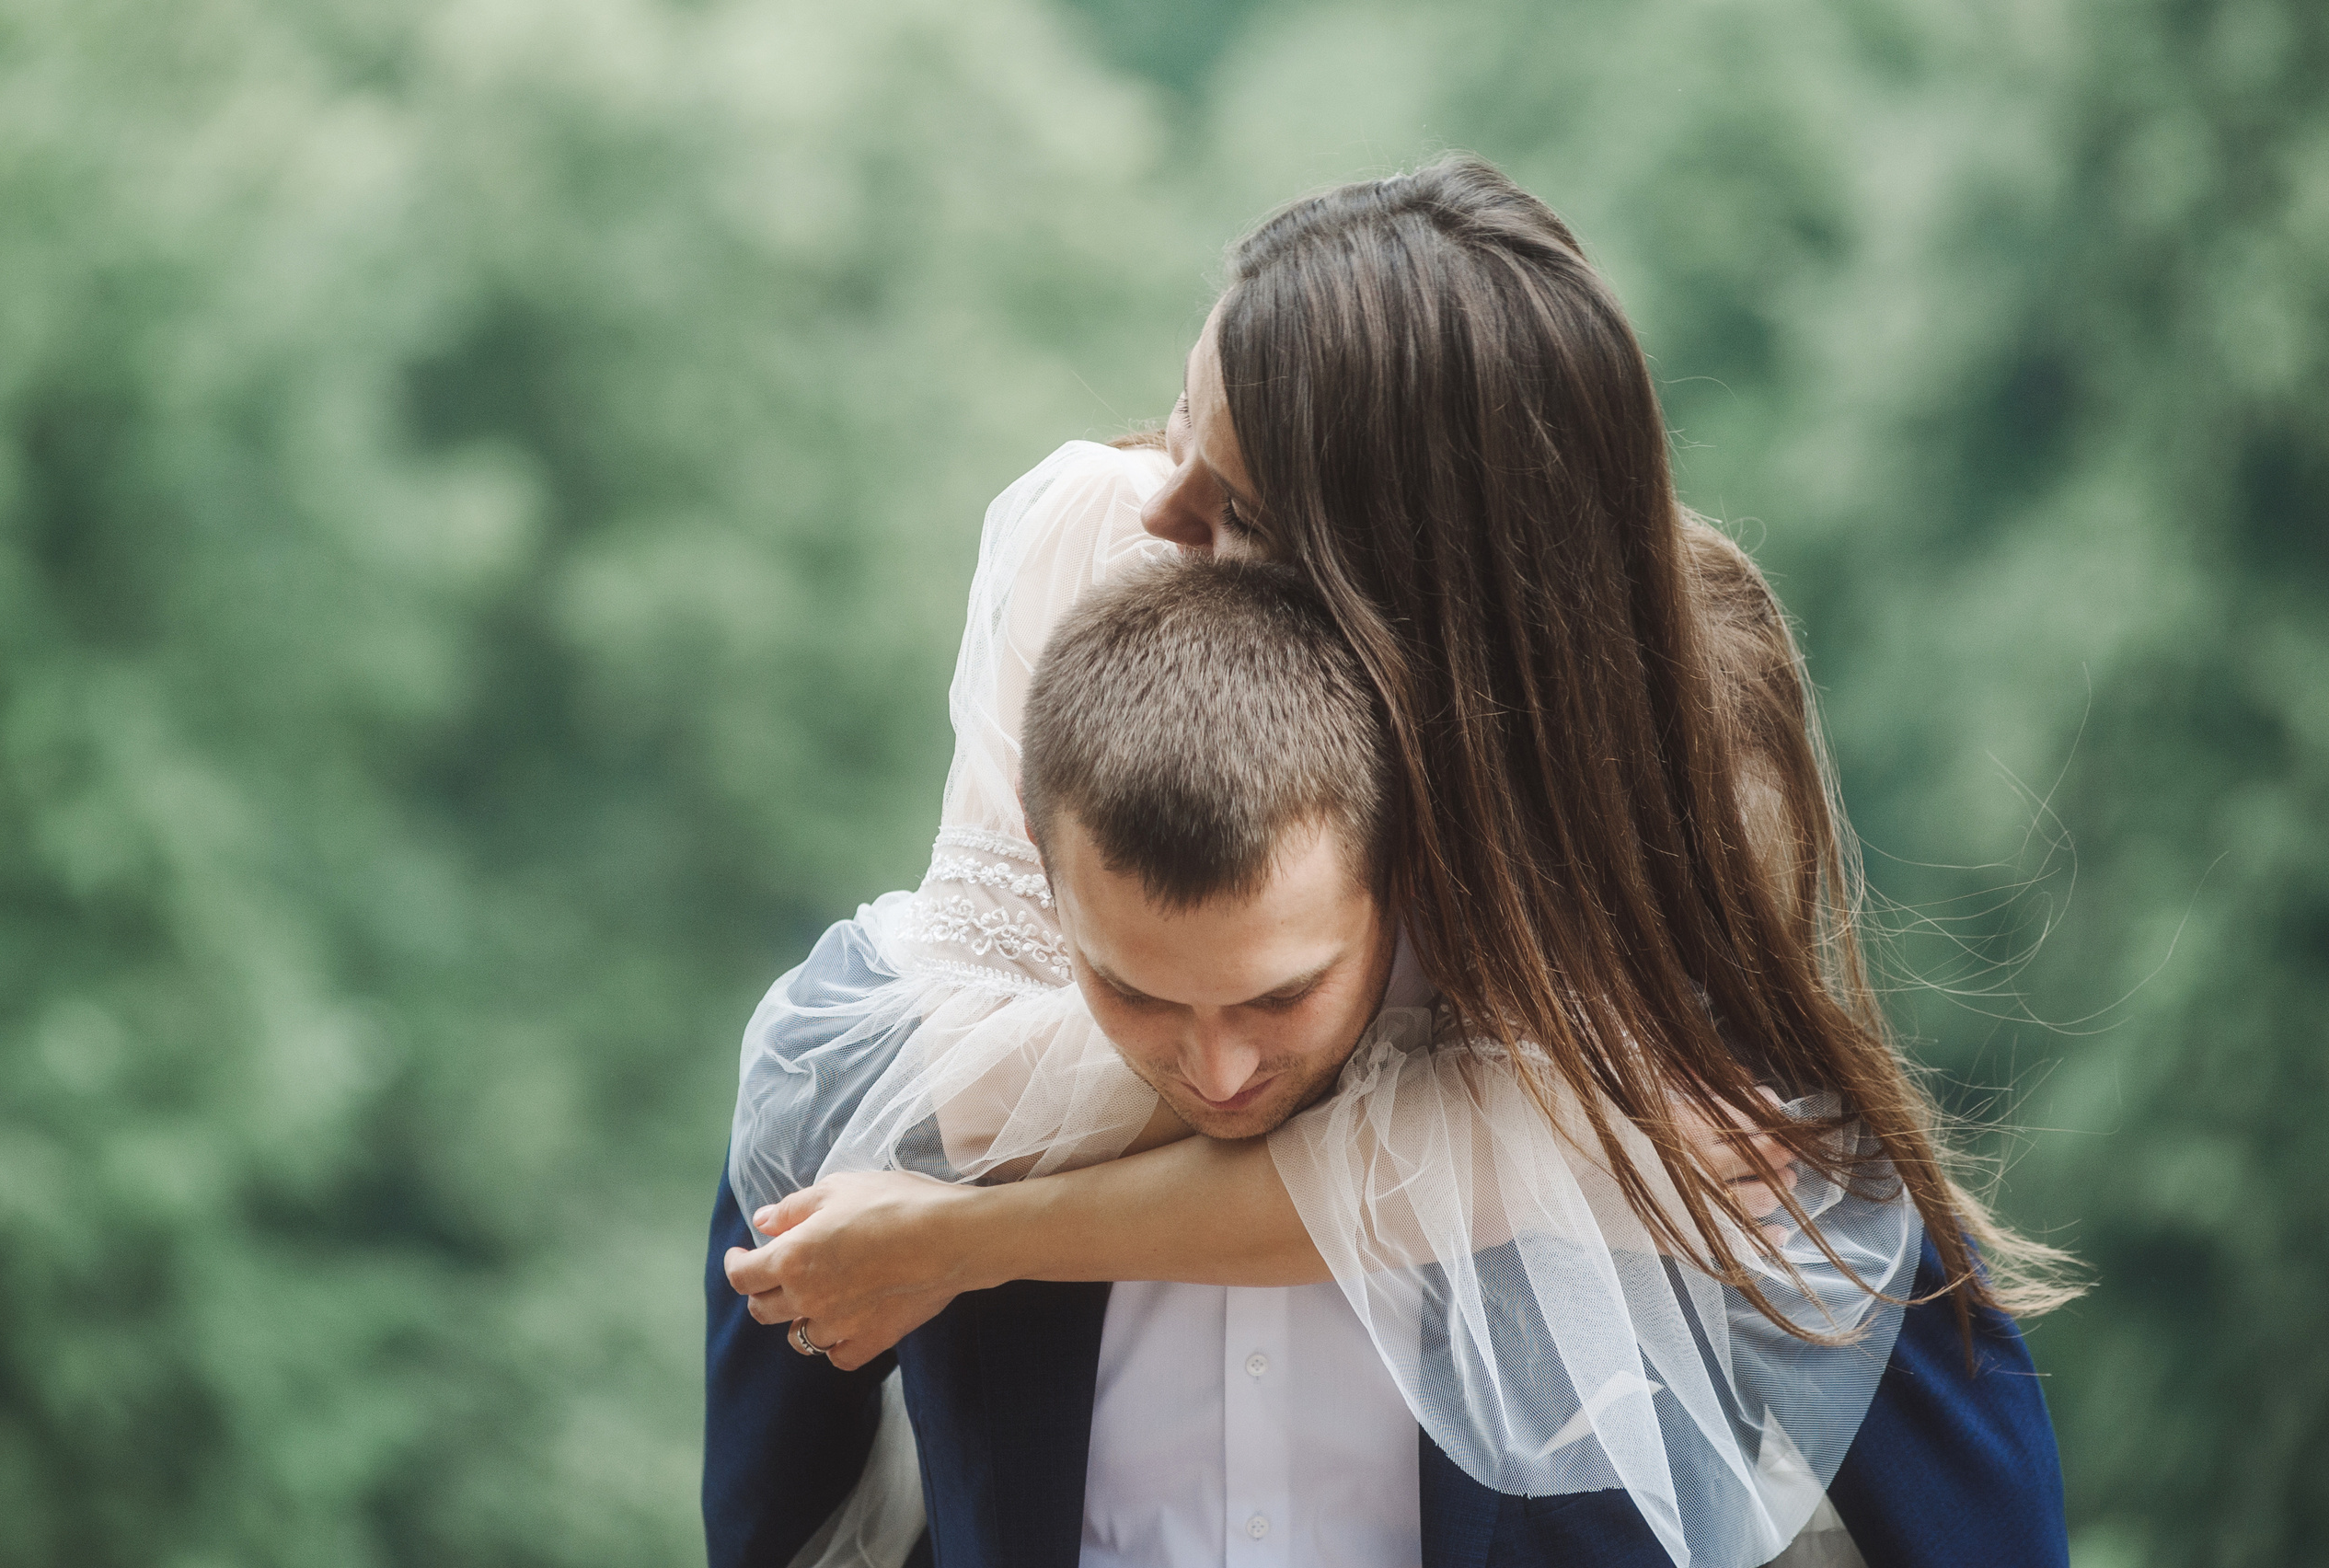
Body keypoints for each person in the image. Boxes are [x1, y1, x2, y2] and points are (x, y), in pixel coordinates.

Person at [704, 156, 2074, 1568]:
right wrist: (1502, 1124)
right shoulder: (1098, 539)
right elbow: (965, 1091)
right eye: (1187, 418)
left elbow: (1682, 1159)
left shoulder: (1674, 724)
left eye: (1237, 505)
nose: (1161, 512)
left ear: (1410, 579)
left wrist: (965, 1241)